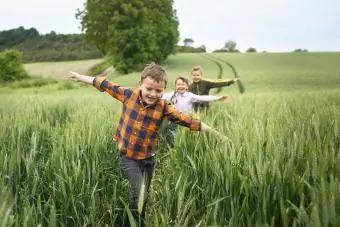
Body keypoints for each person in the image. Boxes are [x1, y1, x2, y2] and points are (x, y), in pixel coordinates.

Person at [68, 63, 215, 227]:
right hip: (128, 156)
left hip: (148, 158)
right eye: (149, 89)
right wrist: (82, 78)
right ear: (141, 84)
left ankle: (135, 220)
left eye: (158, 91)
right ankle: (130, 223)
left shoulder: (164, 107)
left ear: (164, 89)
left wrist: (216, 134)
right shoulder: (128, 95)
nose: (153, 94)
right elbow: (103, 83)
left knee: (143, 196)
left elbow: (188, 121)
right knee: (140, 193)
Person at [161, 76, 228, 147]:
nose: (180, 86)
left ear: (187, 87)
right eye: (178, 84)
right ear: (175, 86)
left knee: (187, 136)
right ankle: (173, 147)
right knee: (173, 136)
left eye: (183, 84)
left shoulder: (190, 96)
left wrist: (217, 98)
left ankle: (185, 146)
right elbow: (161, 96)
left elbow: (203, 98)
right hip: (174, 121)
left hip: (187, 120)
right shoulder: (171, 95)